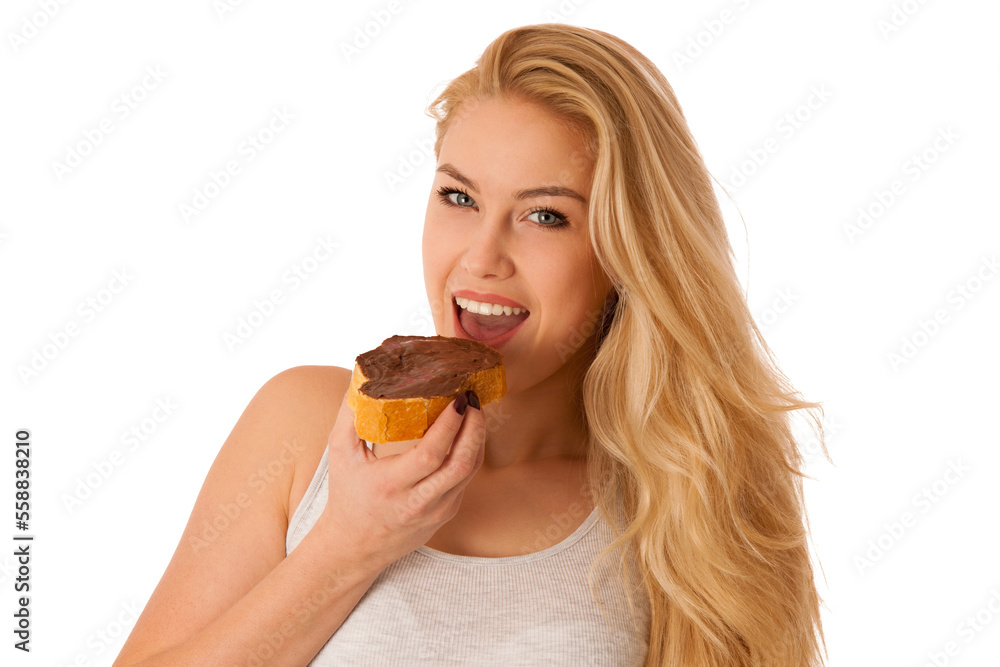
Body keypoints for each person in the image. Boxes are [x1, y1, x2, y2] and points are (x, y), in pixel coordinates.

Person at [115, 23, 828, 667]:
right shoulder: (305, 424)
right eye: (459, 198)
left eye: (545, 215)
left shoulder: (686, 497)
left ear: (627, 253)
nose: (481, 257)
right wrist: (347, 544)